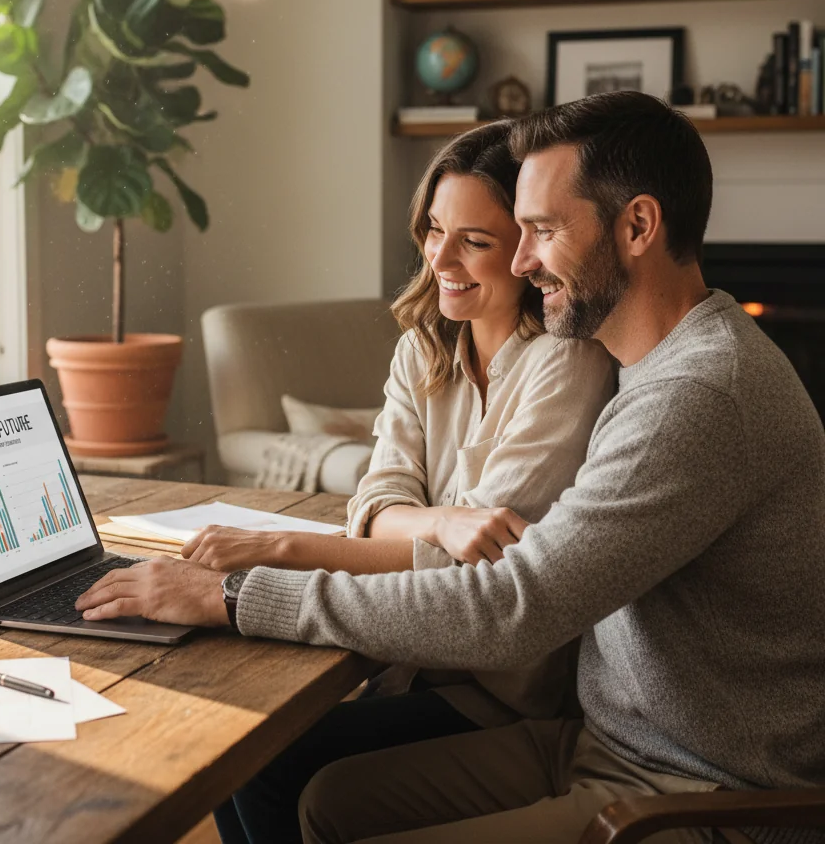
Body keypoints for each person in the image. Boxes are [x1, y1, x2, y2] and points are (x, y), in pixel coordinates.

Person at [76, 91, 825, 844]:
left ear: (637, 225)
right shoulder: (654, 366)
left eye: (540, 230)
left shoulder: (695, 395)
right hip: (604, 746)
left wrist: (233, 597)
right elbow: (418, 521)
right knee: (320, 800)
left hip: (695, 794)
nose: (523, 259)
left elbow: (509, 606)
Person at [180, 122, 615, 843]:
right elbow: (377, 504)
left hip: (504, 688)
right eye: (434, 228)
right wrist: (440, 521)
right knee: (230, 746)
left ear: (528, 250)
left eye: (475, 240)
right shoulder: (423, 347)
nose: (441, 257)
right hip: (410, 659)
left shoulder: (566, 362)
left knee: (265, 766)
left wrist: (279, 548)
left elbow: (477, 566)